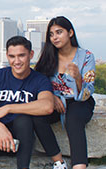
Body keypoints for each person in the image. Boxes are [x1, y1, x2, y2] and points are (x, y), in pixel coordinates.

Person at [0, 36, 54, 169]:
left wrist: (9, 108)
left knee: (23, 120)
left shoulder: (40, 80)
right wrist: (0, 127)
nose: (16, 61)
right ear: (7, 56)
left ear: (31, 55)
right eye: (12, 56)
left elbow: (47, 106)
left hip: (22, 140)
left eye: (21, 56)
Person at [34, 16, 96, 169]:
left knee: (73, 118)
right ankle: (59, 162)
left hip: (79, 101)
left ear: (70, 33)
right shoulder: (49, 56)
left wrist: (77, 79)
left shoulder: (86, 56)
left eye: (59, 32)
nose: (55, 37)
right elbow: (37, 82)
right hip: (55, 102)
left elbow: (89, 90)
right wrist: (52, 97)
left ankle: (79, 166)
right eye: (51, 34)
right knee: (36, 117)